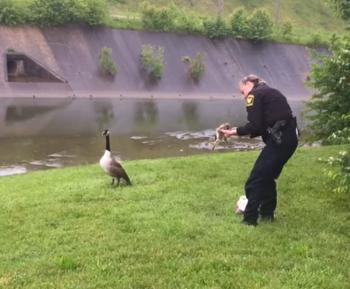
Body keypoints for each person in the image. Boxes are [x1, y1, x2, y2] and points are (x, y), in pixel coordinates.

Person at [221, 75, 298, 226]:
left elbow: (255, 126)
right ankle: (267, 214)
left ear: (249, 83)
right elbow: (262, 125)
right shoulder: (269, 92)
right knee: (267, 177)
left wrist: (235, 132)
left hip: (279, 141)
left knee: (255, 179)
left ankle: (249, 220)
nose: (244, 96)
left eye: (242, 92)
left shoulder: (254, 95)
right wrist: (237, 131)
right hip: (289, 139)